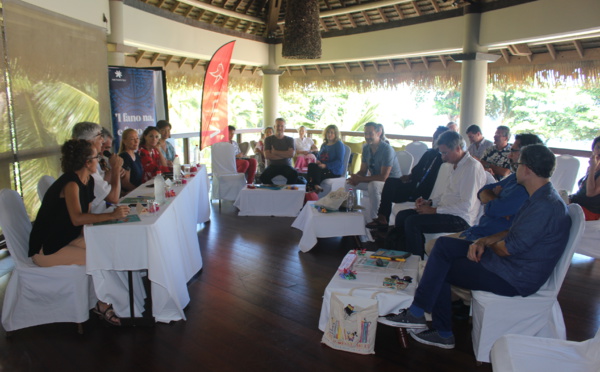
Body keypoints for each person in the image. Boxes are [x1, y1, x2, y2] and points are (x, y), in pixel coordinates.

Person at [379, 144, 572, 350]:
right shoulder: (540, 196)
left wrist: (486, 244)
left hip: (514, 275)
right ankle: (420, 314)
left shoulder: (544, 205)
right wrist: (482, 241)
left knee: (440, 266)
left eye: (519, 163)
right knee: (443, 246)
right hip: (510, 263)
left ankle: (438, 329)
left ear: (528, 170)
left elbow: (508, 248)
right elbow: (512, 231)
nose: (515, 166)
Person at [29, 139, 130, 326]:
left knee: (107, 248)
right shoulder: (70, 184)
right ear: (87, 162)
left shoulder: (88, 180)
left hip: (67, 239)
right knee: (99, 258)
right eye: (96, 157)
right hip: (47, 249)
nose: (99, 159)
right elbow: (77, 218)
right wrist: (111, 216)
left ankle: (123, 298)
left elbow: (88, 215)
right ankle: (102, 304)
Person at [392, 131, 487, 258]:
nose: (442, 157)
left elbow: (466, 205)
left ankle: (416, 262)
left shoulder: (472, 168)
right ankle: (401, 255)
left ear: (458, 148)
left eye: (445, 153)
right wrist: (429, 202)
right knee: (402, 215)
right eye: (441, 153)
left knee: (412, 222)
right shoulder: (455, 166)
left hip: (461, 218)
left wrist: (434, 210)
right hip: (446, 212)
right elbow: (447, 196)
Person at [366, 126, 448, 229]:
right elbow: (417, 170)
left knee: (393, 186)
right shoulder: (429, 153)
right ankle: (383, 217)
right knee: (391, 182)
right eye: (434, 136)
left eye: (437, 137)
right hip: (414, 186)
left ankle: (384, 223)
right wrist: (409, 176)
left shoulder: (444, 158)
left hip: (425, 192)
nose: (434, 139)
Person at [347, 122, 402, 220]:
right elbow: (363, 171)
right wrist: (355, 177)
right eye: (365, 133)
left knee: (373, 185)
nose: (367, 136)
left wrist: (361, 179)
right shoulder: (366, 148)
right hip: (375, 180)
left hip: (391, 184)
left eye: (370, 133)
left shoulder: (387, 149)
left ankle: (375, 219)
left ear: (379, 133)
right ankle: (352, 216)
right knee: (348, 183)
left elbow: (383, 177)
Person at [72, 122, 122, 213]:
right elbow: (114, 198)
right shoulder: (84, 166)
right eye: (100, 137)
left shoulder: (89, 161)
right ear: (90, 142)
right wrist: (116, 169)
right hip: (94, 219)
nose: (102, 140)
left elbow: (102, 183)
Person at [259, 118, 302, 185]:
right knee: (263, 177)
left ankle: (287, 192)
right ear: (274, 127)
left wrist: (275, 152)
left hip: (286, 166)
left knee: (294, 174)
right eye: (278, 125)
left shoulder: (290, 140)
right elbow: (267, 156)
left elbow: (291, 155)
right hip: (272, 166)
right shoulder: (268, 139)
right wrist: (285, 154)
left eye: (282, 126)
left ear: (284, 128)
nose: (279, 128)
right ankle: (275, 190)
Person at [306, 125, 345, 192]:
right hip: (323, 167)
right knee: (311, 165)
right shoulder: (324, 145)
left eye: (332, 132)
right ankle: (314, 186)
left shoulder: (339, 144)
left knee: (317, 170)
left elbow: (339, 161)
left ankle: (313, 186)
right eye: (328, 132)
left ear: (336, 134)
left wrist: (326, 165)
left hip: (333, 170)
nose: (329, 134)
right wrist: (318, 161)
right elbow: (319, 157)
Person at [569, 135, 600, 220]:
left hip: (588, 211)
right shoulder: (591, 167)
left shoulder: (593, 168)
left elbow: (590, 193)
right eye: (598, 147)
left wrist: (593, 168)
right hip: (577, 204)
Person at [118, 128, 143, 193]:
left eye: (137, 138)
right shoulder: (124, 156)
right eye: (132, 139)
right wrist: (139, 191)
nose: (136, 141)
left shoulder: (136, 155)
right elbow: (125, 183)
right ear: (124, 141)